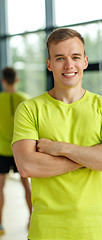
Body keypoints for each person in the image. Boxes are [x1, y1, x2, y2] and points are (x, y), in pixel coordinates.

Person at [12, 28, 102, 240]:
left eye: (75, 57)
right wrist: (94, 156)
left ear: (85, 61)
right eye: (60, 58)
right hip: (47, 231)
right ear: (49, 64)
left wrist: (61, 149)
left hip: (98, 230)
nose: (69, 65)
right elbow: (27, 166)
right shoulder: (29, 109)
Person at [0, 67, 32, 235]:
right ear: (17, 80)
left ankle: (0, 225)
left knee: (0, 187)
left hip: (2, 151)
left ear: (3, 80)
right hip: (21, 150)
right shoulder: (25, 100)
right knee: (26, 185)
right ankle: (31, 219)